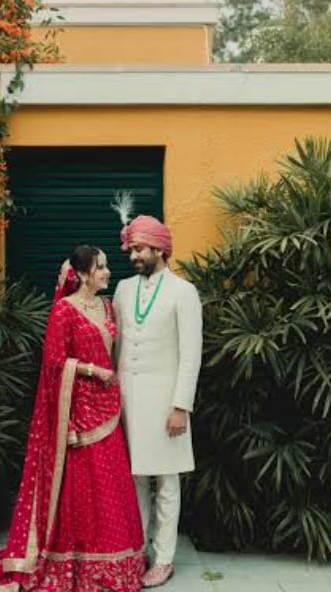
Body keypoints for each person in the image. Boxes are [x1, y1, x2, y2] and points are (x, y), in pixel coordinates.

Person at [0, 245, 145, 592]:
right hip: (77, 411)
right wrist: (92, 370)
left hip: (108, 407)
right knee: (83, 487)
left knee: (111, 483)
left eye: (106, 266)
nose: (107, 272)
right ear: (83, 274)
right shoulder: (64, 310)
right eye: (100, 267)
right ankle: (77, 564)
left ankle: (118, 563)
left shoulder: (108, 306)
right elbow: (54, 363)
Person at [112, 216, 203, 588]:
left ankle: (164, 559)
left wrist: (181, 405)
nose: (134, 255)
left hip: (167, 402)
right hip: (127, 400)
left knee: (166, 480)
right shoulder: (122, 289)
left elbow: (191, 353)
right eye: (132, 249)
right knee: (134, 478)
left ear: (160, 249)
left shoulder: (184, 291)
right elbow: (116, 344)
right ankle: (137, 551)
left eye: (140, 249)